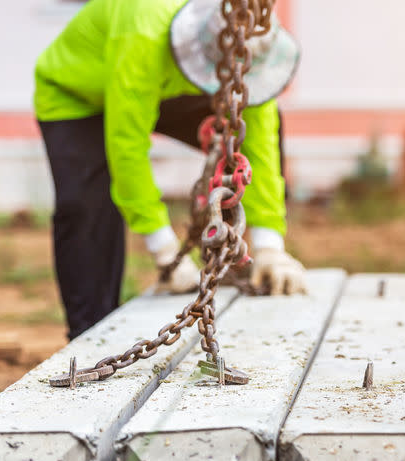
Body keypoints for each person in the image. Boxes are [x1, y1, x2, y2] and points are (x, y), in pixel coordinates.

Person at [34, 0, 306, 340]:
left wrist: (270, 243)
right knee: (85, 204)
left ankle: (243, 258)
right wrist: (164, 250)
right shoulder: (144, 26)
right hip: (79, 92)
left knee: (249, 129)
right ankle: (89, 334)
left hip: (181, 82)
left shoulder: (252, 25)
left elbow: (259, 142)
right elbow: (127, 145)